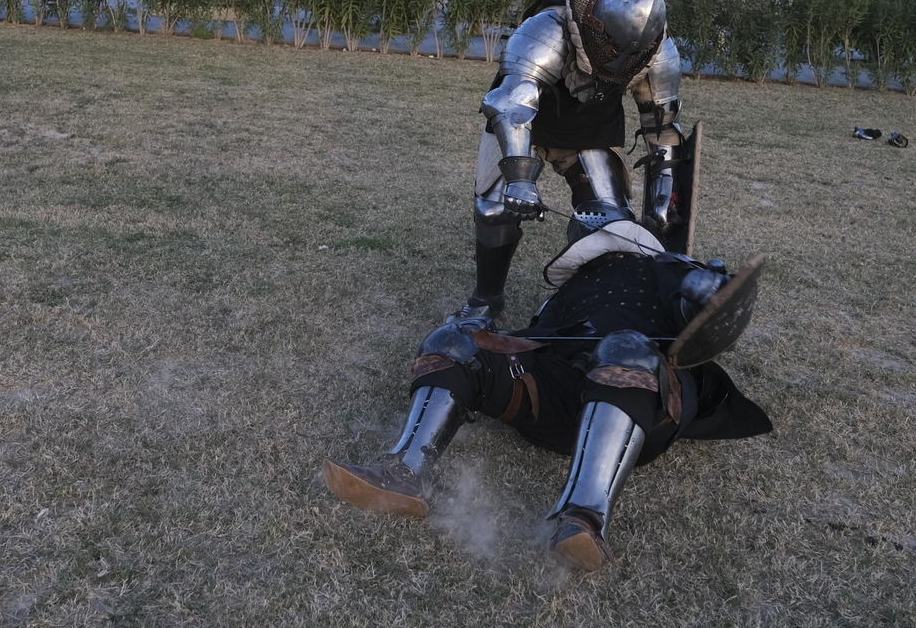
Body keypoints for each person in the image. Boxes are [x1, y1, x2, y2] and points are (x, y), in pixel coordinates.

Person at [323, 223, 770, 572]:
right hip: (556, 397)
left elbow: (709, 323)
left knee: (625, 347)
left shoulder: (664, 267)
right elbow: (536, 340)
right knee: (454, 339)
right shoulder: (570, 286)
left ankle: (581, 519)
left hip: (641, 403)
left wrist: (702, 286)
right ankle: (405, 471)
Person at [470, 0, 687, 315]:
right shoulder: (549, 28)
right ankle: (485, 302)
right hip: (524, 128)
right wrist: (520, 180)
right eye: (615, 48)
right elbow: (512, 103)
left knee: (611, 223)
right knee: (495, 209)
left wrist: (663, 199)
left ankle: (595, 305)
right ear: (597, 27)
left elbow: (661, 127)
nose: (623, 60)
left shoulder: (658, 51)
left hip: (591, 132)